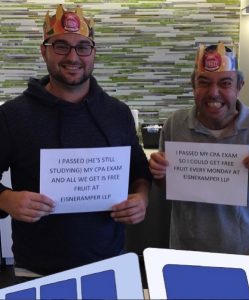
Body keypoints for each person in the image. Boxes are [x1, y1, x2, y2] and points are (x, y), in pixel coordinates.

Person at [0, 4, 152, 281]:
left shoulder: (118, 113)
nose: (73, 56)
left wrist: (141, 198)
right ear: (43, 50)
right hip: (35, 270)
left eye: (83, 46)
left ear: (93, 53)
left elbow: (139, 173)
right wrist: (5, 199)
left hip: (109, 264)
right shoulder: (12, 115)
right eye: (61, 46)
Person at [149, 42, 249, 288]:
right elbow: (168, 188)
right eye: (204, 82)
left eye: (225, 83)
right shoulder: (175, 124)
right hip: (185, 258)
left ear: (240, 86)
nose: (214, 93)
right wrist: (158, 173)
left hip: (245, 261)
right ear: (193, 85)